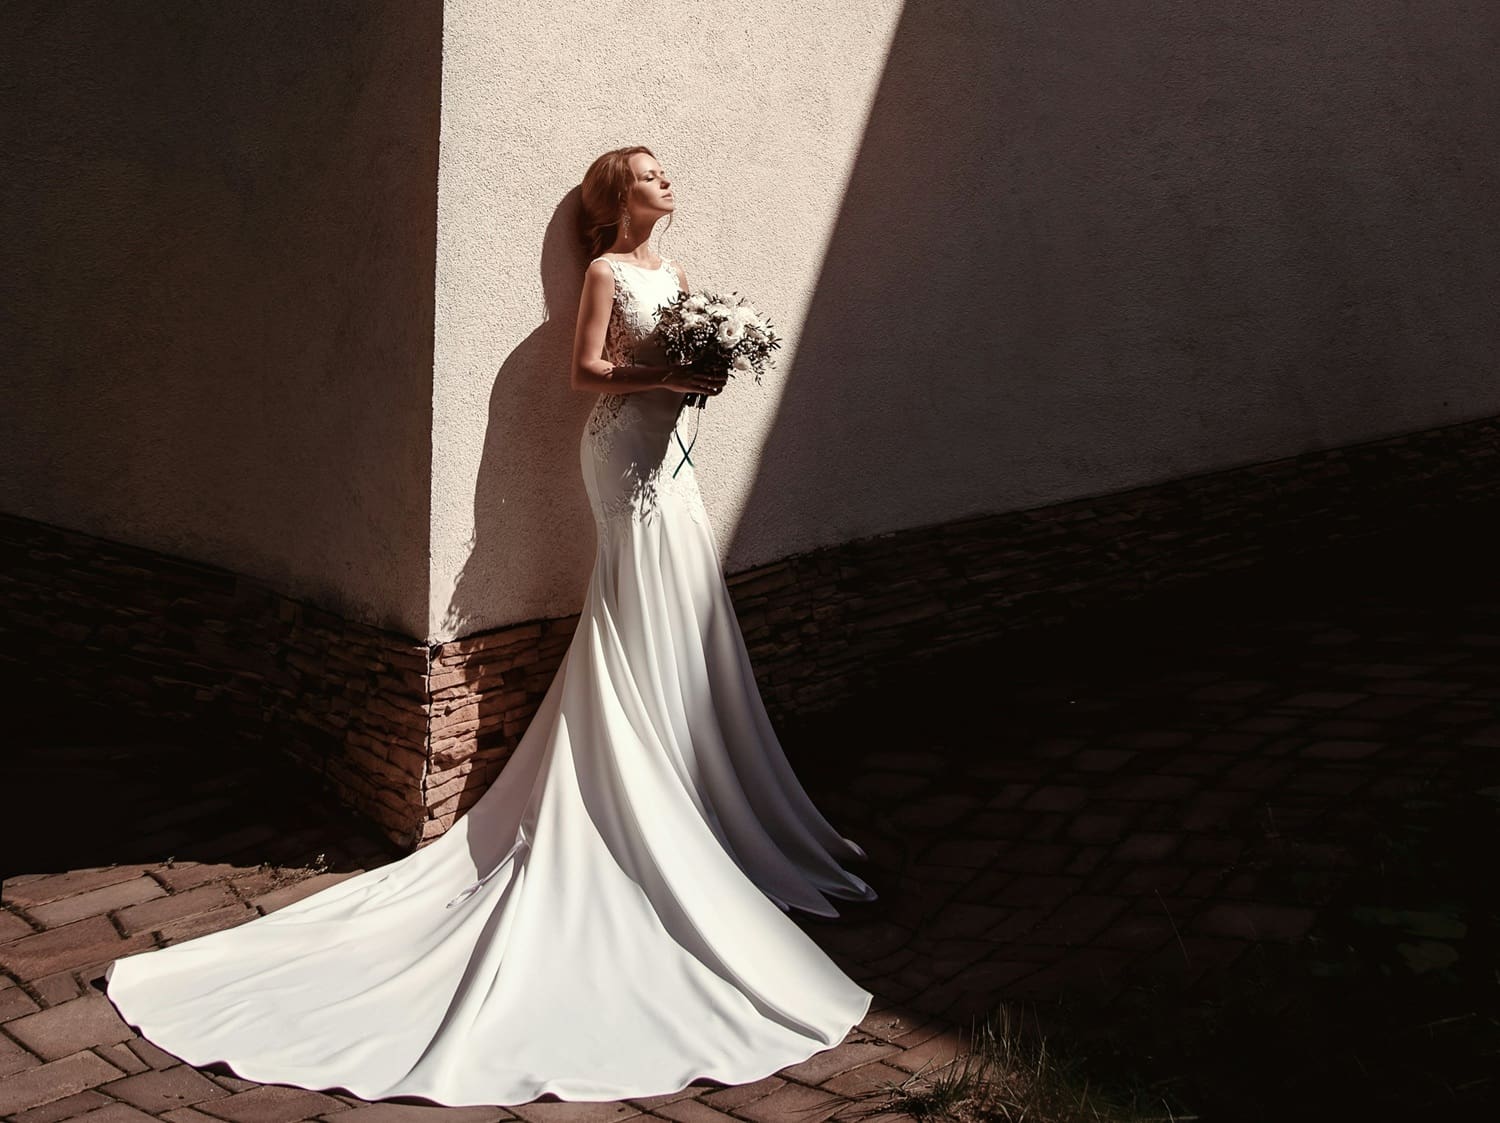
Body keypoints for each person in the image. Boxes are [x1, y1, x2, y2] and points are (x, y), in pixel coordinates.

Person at [101, 144, 877, 1108]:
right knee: (636, 599)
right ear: (615, 197)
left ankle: (695, 781)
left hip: (673, 460)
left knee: (682, 601)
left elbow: (674, 358)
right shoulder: (603, 272)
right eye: (648, 172)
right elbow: (588, 374)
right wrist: (664, 375)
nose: (665, 180)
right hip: (622, 460)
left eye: (665, 171)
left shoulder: (674, 275)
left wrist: (701, 370)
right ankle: (636, 794)